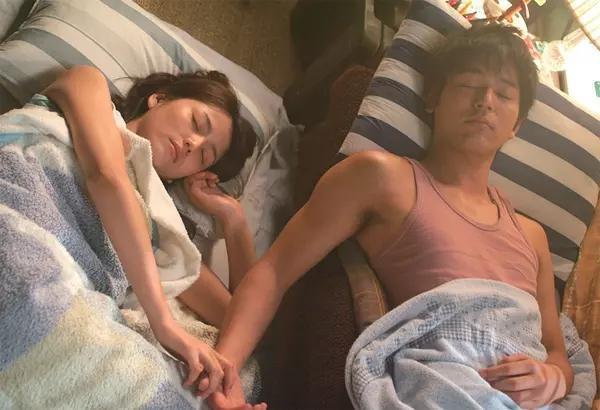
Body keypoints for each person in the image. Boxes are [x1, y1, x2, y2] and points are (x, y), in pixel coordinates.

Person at [211, 23, 573, 409]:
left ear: (516, 125)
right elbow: (274, 272)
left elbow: (555, 351)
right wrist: (224, 371)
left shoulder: (532, 236)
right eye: (469, 84)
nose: (485, 101)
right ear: (434, 97)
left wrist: (553, 379)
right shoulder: (382, 178)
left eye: (503, 94)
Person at [41, 65, 265, 407]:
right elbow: (106, 176)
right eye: (196, 123)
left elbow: (238, 318)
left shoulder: (158, 225)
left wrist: (233, 221)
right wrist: (164, 324)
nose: (193, 144)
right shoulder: (87, 82)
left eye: (204, 155)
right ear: (158, 99)